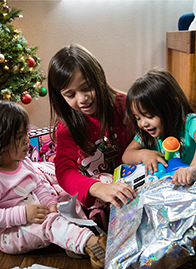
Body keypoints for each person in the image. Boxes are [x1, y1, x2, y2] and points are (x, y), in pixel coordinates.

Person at [0, 100, 107, 269]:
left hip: (36, 212)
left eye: (25, 133)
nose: (27, 141)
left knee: (65, 198)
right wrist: (24, 214)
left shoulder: (23, 161)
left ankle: (77, 237)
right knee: (49, 224)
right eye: (19, 137)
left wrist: (51, 203)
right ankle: (90, 243)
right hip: (10, 233)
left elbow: (39, 186)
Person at [47, 44, 136, 231]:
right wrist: (99, 189)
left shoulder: (125, 106)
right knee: (61, 202)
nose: (82, 99)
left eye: (87, 88)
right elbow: (64, 172)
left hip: (129, 179)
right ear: (60, 96)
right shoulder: (66, 127)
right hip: (93, 186)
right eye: (70, 95)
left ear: (99, 78)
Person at [122, 67, 196, 189]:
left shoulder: (190, 122)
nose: (143, 123)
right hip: (171, 192)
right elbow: (126, 155)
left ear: (172, 107)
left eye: (149, 115)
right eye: (137, 118)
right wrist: (144, 154)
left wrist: (194, 169)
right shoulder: (148, 133)